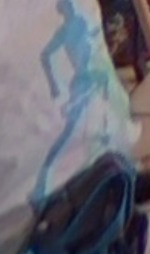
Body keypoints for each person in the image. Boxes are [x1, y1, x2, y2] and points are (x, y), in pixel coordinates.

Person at [32, 0, 109, 204]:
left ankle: (105, 151)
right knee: (69, 133)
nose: (73, 6)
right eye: (68, 4)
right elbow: (45, 55)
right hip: (82, 82)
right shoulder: (66, 30)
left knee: (100, 117)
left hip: (92, 77)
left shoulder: (82, 21)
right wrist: (54, 84)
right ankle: (43, 181)